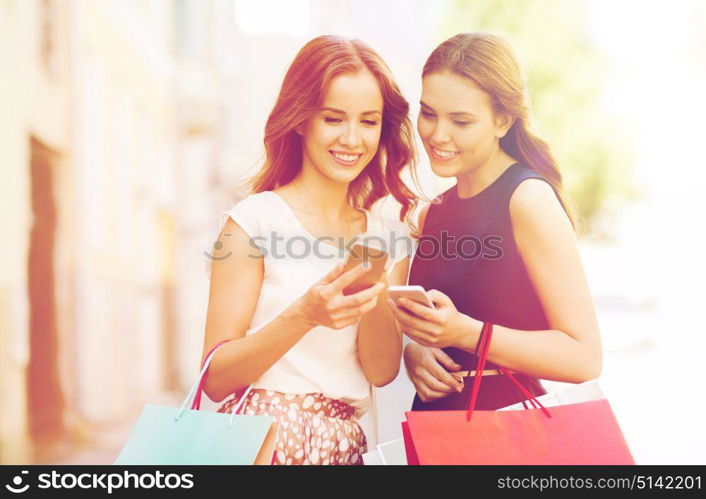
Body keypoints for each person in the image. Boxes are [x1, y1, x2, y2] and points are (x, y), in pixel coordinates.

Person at [201, 35, 418, 465]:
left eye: (369, 121)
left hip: (345, 446)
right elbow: (214, 378)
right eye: (334, 119)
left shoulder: (388, 238)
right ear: (301, 120)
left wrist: (372, 291)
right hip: (263, 447)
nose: (352, 139)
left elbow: (381, 371)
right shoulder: (254, 222)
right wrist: (304, 315)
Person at [391, 33, 602, 412]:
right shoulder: (432, 212)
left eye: (461, 121)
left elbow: (584, 357)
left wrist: (467, 333)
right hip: (436, 431)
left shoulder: (527, 199)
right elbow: (434, 324)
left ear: (502, 121)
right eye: (428, 113)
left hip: (505, 436)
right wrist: (417, 350)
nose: (438, 135)